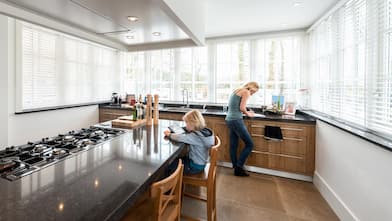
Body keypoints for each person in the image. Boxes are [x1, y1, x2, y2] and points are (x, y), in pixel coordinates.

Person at [164, 110, 215, 175]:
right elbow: (187, 129)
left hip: (194, 166)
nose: (186, 125)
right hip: (200, 163)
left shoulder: (196, 136)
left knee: (168, 166)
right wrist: (176, 129)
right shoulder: (204, 132)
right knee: (174, 161)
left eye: (187, 123)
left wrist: (169, 135)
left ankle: (172, 184)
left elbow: (180, 138)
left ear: (193, 123)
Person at [225, 81, 259, 176]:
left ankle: (236, 166)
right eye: (253, 92)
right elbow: (241, 108)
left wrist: (247, 111)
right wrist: (249, 114)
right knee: (250, 144)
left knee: (233, 145)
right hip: (236, 120)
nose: (252, 94)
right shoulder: (246, 92)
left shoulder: (237, 90)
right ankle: (239, 167)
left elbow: (237, 105)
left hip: (229, 119)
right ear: (252, 88)